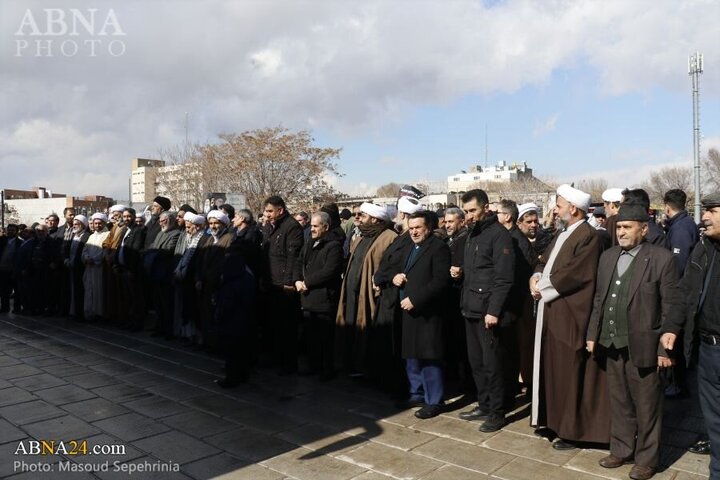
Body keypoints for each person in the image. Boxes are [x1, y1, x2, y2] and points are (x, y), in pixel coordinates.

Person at [586, 204, 679, 480]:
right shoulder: (608, 257)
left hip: (645, 346)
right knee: (620, 400)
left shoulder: (662, 259)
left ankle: (647, 458)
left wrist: (664, 348)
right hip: (611, 342)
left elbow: (671, 307)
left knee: (648, 405)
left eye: (627, 227)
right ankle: (622, 448)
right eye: (619, 228)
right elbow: (600, 299)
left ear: (644, 228)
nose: (621, 232)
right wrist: (593, 334)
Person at [529, 184, 609, 449]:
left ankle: (571, 431)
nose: (556, 210)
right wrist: (536, 276)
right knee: (553, 371)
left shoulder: (590, 236)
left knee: (569, 372)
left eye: (560, 205)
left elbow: (577, 274)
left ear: (573, 209)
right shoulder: (563, 232)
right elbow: (544, 261)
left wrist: (543, 289)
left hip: (570, 316)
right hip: (551, 311)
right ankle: (552, 421)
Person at [663, 192, 720, 479]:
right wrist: (672, 326)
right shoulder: (703, 248)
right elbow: (685, 292)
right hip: (708, 351)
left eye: (712, 210)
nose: (704, 216)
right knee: (715, 424)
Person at [455, 189, 514, 433]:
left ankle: (497, 412)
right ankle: (484, 403)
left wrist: (494, 310)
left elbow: (504, 278)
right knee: (476, 363)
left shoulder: (498, 235)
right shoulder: (473, 233)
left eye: (472, 211)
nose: (468, 216)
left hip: (487, 312)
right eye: (466, 211)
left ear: (486, 207)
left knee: (492, 365)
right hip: (470, 307)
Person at [393, 211, 451, 419]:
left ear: (428, 227)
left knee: (429, 357)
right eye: (412, 227)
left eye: (418, 227)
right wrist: (396, 277)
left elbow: (440, 281)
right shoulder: (410, 246)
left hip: (427, 312)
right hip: (408, 311)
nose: (414, 231)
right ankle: (416, 392)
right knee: (412, 356)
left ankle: (434, 400)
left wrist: (416, 299)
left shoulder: (438, 248)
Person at [337, 202, 397, 375]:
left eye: (362, 215)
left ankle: (365, 368)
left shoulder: (389, 237)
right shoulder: (361, 237)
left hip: (370, 295)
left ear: (375, 219)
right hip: (351, 294)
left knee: (367, 332)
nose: (358, 218)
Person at [295, 211, 344, 380]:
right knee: (311, 336)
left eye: (316, 226)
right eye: (312, 226)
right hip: (307, 296)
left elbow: (329, 271)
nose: (312, 229)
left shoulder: (334, 246)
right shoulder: (310, 242)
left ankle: (327, 369)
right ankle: (313, 365)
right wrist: (297, 280)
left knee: (325, 337)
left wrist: (307, 282)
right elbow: (299, 261)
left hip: (323, 298)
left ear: (326, 227)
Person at [497, 199, 536, 400]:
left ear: (507, 216)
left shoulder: (516, 241)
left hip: (518, 305)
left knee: (520, 348)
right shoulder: (507, 237)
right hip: (512, 304)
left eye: (498, 213)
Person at [260, 196, 304, 373]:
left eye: (270, 211)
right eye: (266, 211)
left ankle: (288, 363)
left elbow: (294, 257)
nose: (267, 215)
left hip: (283, 285)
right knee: (272, 325)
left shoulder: (291, 227)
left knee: (286, 327)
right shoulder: (268, 227)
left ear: (280, 210)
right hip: (270, 282)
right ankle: (275, 359)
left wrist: (289, 282)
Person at [114, 208, 146, 331]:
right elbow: (119, 247)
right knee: (126, 297)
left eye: (129, 216)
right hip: (122, 269)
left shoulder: (138, 231)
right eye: (125, 216)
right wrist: (116, 263)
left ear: (133, 217)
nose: (126, 219)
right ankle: (128, 320)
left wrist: (130, 269)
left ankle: (137, 322)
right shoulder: (125, 231)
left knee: (135, 298)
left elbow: (135, 251)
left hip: (131, 271)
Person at [664, 189, 699, 277]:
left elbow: (678, 264)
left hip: (679, 284)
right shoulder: (686, 222)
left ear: (667, 208)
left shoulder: (681, 228)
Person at [81, 213, 110, 322]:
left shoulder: (108, 234)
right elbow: (85, 250)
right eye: (95, 223)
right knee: (89, 290)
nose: (97, 225)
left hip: (99, 268)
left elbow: (105, 251)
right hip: (89, 267)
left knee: (99, 291)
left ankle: (100, 314)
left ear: (104, 223)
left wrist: (94, 259)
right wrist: (86, 257)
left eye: (99, 223)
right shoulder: (91, 236)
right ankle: (90, 313)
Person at [65, 215, 90, 321]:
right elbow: (67, 250)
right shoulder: (73, 235)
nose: (75, 226)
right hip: (71, 267)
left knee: (80, 291)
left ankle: (79, 313)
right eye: (74, 224)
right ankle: (73, 312)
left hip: (80, 268)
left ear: (83, 225)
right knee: (72, 290)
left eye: (77, 224)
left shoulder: (86, 236)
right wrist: (66, 259)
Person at [0, 224, 20, 313]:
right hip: (3, 269)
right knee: (3, 290)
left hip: (14, 269)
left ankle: (17, 308)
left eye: (12, 230)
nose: (10, 232)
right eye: (9, 230)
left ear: (16, 231)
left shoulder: (19, 242)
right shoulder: (1, 240)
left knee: (16, 290)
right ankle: (4, 308)